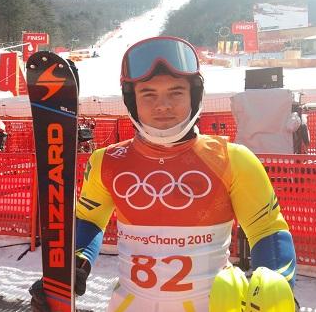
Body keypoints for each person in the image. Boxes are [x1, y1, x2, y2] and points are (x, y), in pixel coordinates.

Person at [30, 36, 297, 311]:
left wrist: (277, 285)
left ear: (194, 95)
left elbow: (267, 229)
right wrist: (70, 268)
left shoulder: (234, 159)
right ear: (131, 100)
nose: (163, 105)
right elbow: (90, 220)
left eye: (176, 92)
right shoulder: (106, 161)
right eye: (149, 94)